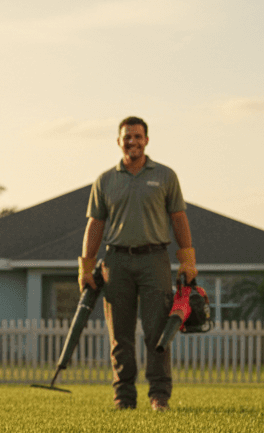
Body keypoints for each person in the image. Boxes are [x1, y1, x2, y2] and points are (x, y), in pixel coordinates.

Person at [79, 116, 196, 412]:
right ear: (119, 142)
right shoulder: (105, 180)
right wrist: (86, 266)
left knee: (158, 331)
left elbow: (179, 218)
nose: (132, 141)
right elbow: (95, 225)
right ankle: (124, 397)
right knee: (120, 335)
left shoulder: (166, 176)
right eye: (126, 137)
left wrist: (187, 260)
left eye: (137, 136)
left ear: (146, 140)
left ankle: (159, 396)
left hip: (155, 259)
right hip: (116, 261)